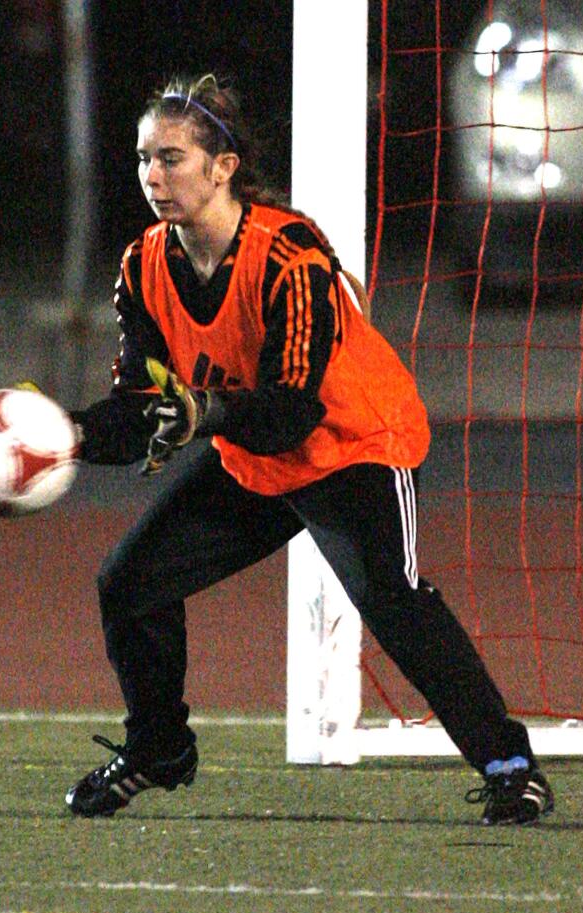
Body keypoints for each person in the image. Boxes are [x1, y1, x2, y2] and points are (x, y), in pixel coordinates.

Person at [64, 73, 554, 826]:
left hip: (354, 442)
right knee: (129, 584)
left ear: (223, 166)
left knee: (392, 600)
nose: (154, 177)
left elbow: (292, 410)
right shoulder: (144, 267)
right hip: (256, 456)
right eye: (143, 160)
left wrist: (200, 413)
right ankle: (159, 749)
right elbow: (140, 408)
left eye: (172, 158)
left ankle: (510, 765)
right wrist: (68, 436)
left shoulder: (290, 255)